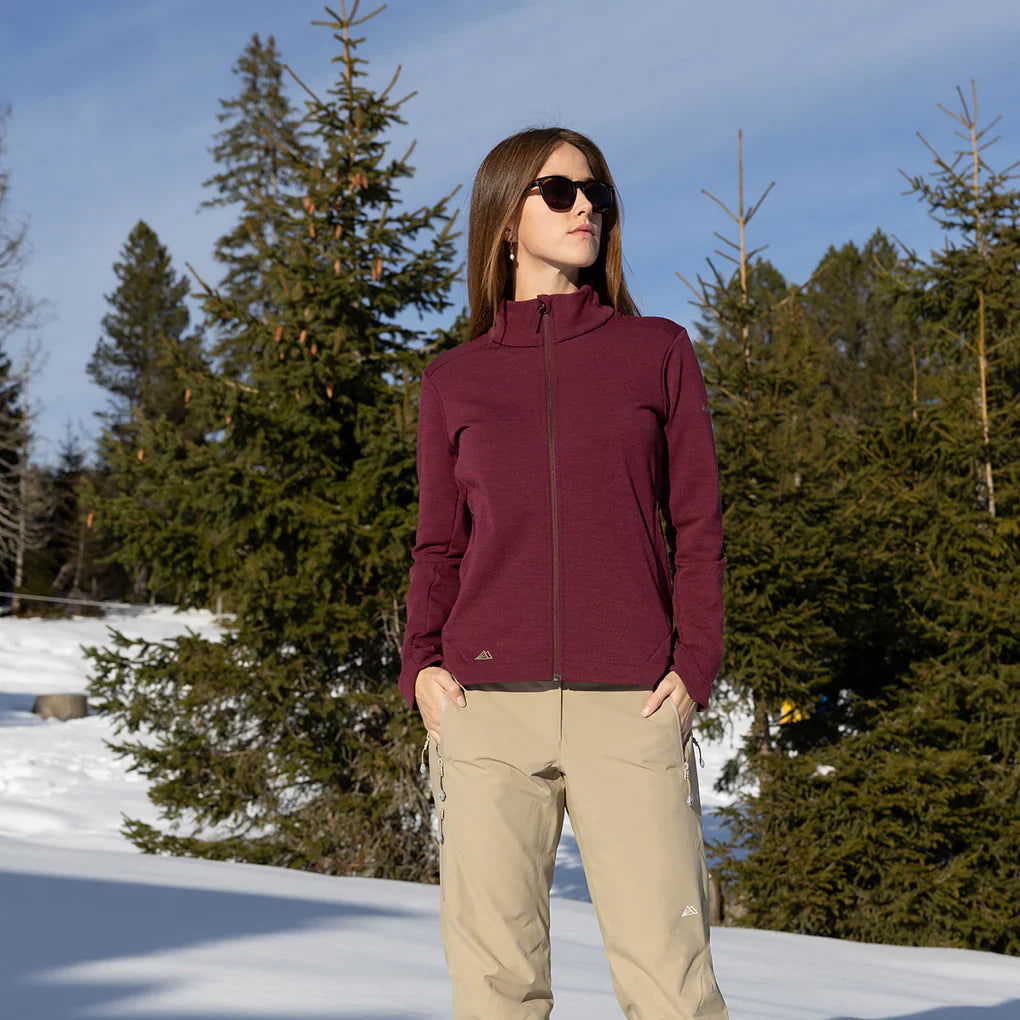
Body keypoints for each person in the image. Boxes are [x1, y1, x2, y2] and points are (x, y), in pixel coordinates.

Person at [398, 125, 729, 1020]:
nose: (586, 207)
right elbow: (439, 547)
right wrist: (421, 667)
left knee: (671, 984)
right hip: (483, 711)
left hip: (632, 705)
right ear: (507, 218)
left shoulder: (655, 350)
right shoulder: (454, 380)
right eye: (560, 191)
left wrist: (694, 664)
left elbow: (698, 524)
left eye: (597, 194)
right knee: (495, 989)